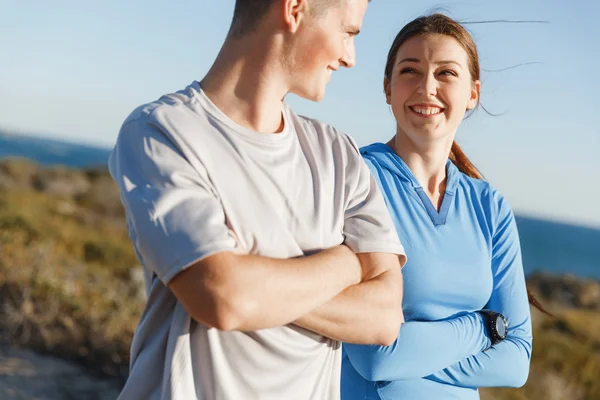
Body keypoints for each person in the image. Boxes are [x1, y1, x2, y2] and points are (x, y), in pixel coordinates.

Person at [108, 1, 407, 399]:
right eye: (348, 33)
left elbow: (385, 317)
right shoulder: (162, 132)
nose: (350, 58)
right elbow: (223, 297)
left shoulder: (339, 154)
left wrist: (257, 289)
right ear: (295, 8)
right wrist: (347, 262)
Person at [342, 13, 534, 400]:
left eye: (446, 73)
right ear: (388, 88)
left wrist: (410, 352)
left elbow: (516, 362)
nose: (426, 87)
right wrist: (482, 329)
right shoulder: (354, 178)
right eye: (410, 71)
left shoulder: (490, 207)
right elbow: (376, 357)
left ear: (473, 93)